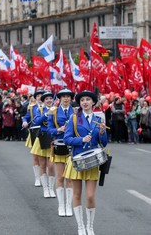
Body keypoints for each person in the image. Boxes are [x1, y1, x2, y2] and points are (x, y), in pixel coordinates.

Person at [63, 90, 107, 235]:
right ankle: (80, 226)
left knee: (90, 196)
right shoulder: (74, 119)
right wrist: (81, 140)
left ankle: (90, 226)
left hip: (93, 161)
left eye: (88, 99)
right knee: (76, 194)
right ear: (80, 103)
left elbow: (104, 143)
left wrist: (102, 133)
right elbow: (66, 139)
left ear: (93, 102)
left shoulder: (99, 119)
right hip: (77, 160)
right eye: (82, 100)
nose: (85, 102)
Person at [47, 88, 75, 217]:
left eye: (68, 96)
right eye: (63, 96)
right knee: (60, 176)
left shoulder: (75, 111)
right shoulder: (53, 111)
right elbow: (49, 130)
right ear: (59, 98)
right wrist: (58, 129)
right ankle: (61, 206)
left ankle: (69, 206)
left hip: (72, 147)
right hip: (59, 145)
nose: (66, 98)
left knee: (69, 178)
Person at [31, 91, 56, 198]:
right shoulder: (40, 109)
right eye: (47, 99)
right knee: (42, 165)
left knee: (51, 166)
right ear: (44, 101)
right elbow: (36, 122)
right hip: (42, 138)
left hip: (52, 139)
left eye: (50, 98)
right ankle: (45, 189)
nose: (49, 100)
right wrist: (46, 114)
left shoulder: (56, 110)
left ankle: (51, 188)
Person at [22, 90, 44, 187]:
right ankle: (37, 178)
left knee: (45, 158)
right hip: (34, 132)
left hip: (45, 132)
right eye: (38, 96)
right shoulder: (31, 107)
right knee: (35, 156)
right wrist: (24, 122)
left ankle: (44, 177)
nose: (39, 97)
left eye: (41, 95)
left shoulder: (50, 108)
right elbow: (25, 117)